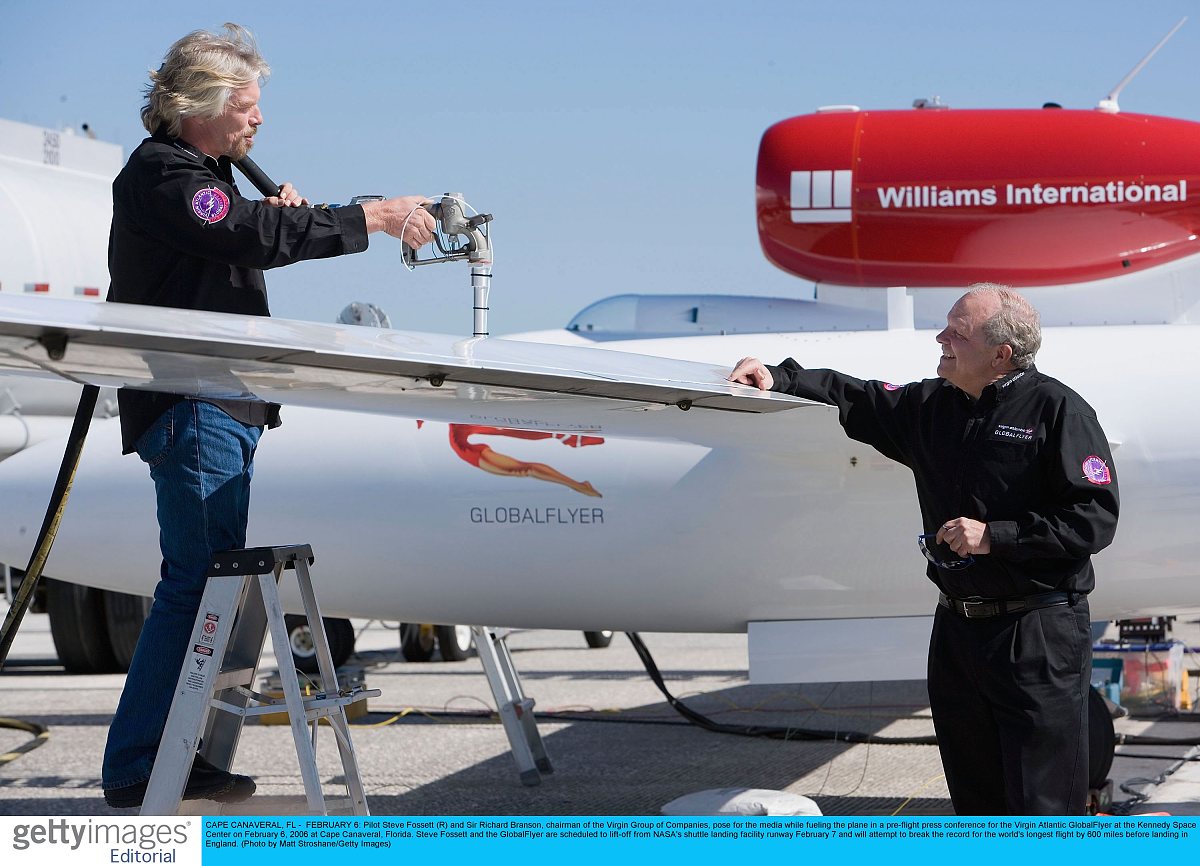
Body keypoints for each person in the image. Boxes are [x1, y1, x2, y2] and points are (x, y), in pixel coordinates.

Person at [101, 23, 436, 809]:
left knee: (207, 586)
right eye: (246, 106)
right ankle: (141, 765)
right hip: (195, 407)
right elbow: (245, 231)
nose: (258, 120)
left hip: (222, 407)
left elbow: (249, 236)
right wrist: (368, 217)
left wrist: (289, 223)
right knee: (194, 585)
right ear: (198, 106)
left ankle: (175, 755)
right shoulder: (166, 175)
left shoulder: (203, 178)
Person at [728, 283, 1119, 815]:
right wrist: (779, 377)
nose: (941, 338)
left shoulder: (1060, 411)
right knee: (975, 797)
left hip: (1036, 634)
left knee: (1041, 804)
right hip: (958, 631)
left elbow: (1093, 520)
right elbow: (857, 396)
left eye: (958, 332)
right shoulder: (931, 406)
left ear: (1000, 354)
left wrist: (995, 536)